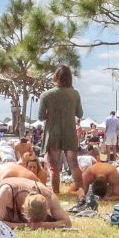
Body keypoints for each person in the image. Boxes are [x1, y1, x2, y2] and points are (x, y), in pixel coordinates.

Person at [40, 65, 83, 198]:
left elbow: (41, 116)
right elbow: (80, 114)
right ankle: (81, 190)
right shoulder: (75, 94)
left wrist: (51, 114)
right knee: (74, 165)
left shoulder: (46, 95)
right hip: (70, 132)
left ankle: (56, 193)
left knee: (54, 167)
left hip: (53, 133)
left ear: (55, 77)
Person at [0, 176, 72, 229]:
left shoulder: (48, 194)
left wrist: (43, 225)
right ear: (23, 208)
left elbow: (67, 222)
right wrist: (24, 226)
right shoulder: (6, 191)